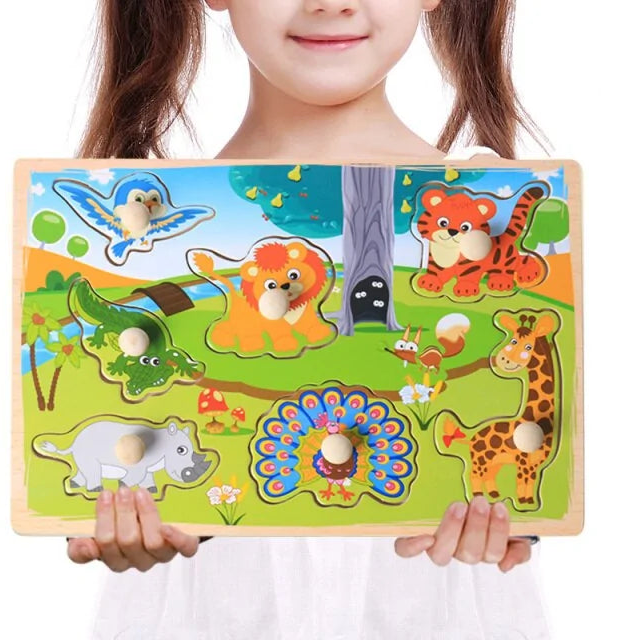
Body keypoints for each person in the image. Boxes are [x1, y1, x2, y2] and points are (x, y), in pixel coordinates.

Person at [68, 1, 550, 637]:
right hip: (212, 610)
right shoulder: (150, 225)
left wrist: (516, 523)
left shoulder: (484, 206)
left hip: (433, 608)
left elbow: (532, 439)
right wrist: (125, 514)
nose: (331, 2)